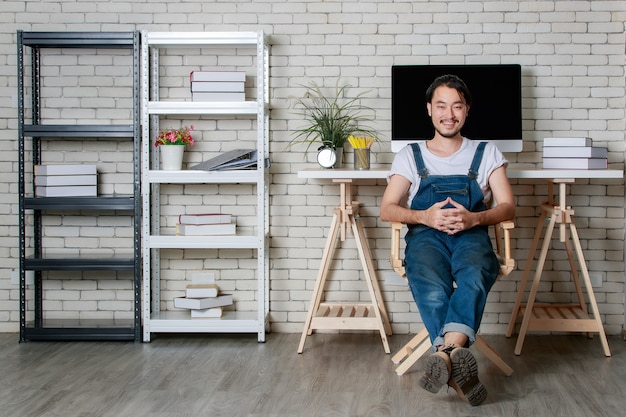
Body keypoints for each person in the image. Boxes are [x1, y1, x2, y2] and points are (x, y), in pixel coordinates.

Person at [380, 74, 515, 406]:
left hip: (472, 235)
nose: (449, 114)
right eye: (441, 106)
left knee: (475, 274)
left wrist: (475, 218)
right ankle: (455, 361)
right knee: (431, 283)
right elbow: (387, 209)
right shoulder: (410, 155)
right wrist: (425, 216)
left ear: (466, 110)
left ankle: (443, 355)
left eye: (456, 106)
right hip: (426, 237)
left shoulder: (486, 153)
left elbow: (509, 205)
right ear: (429, 110)